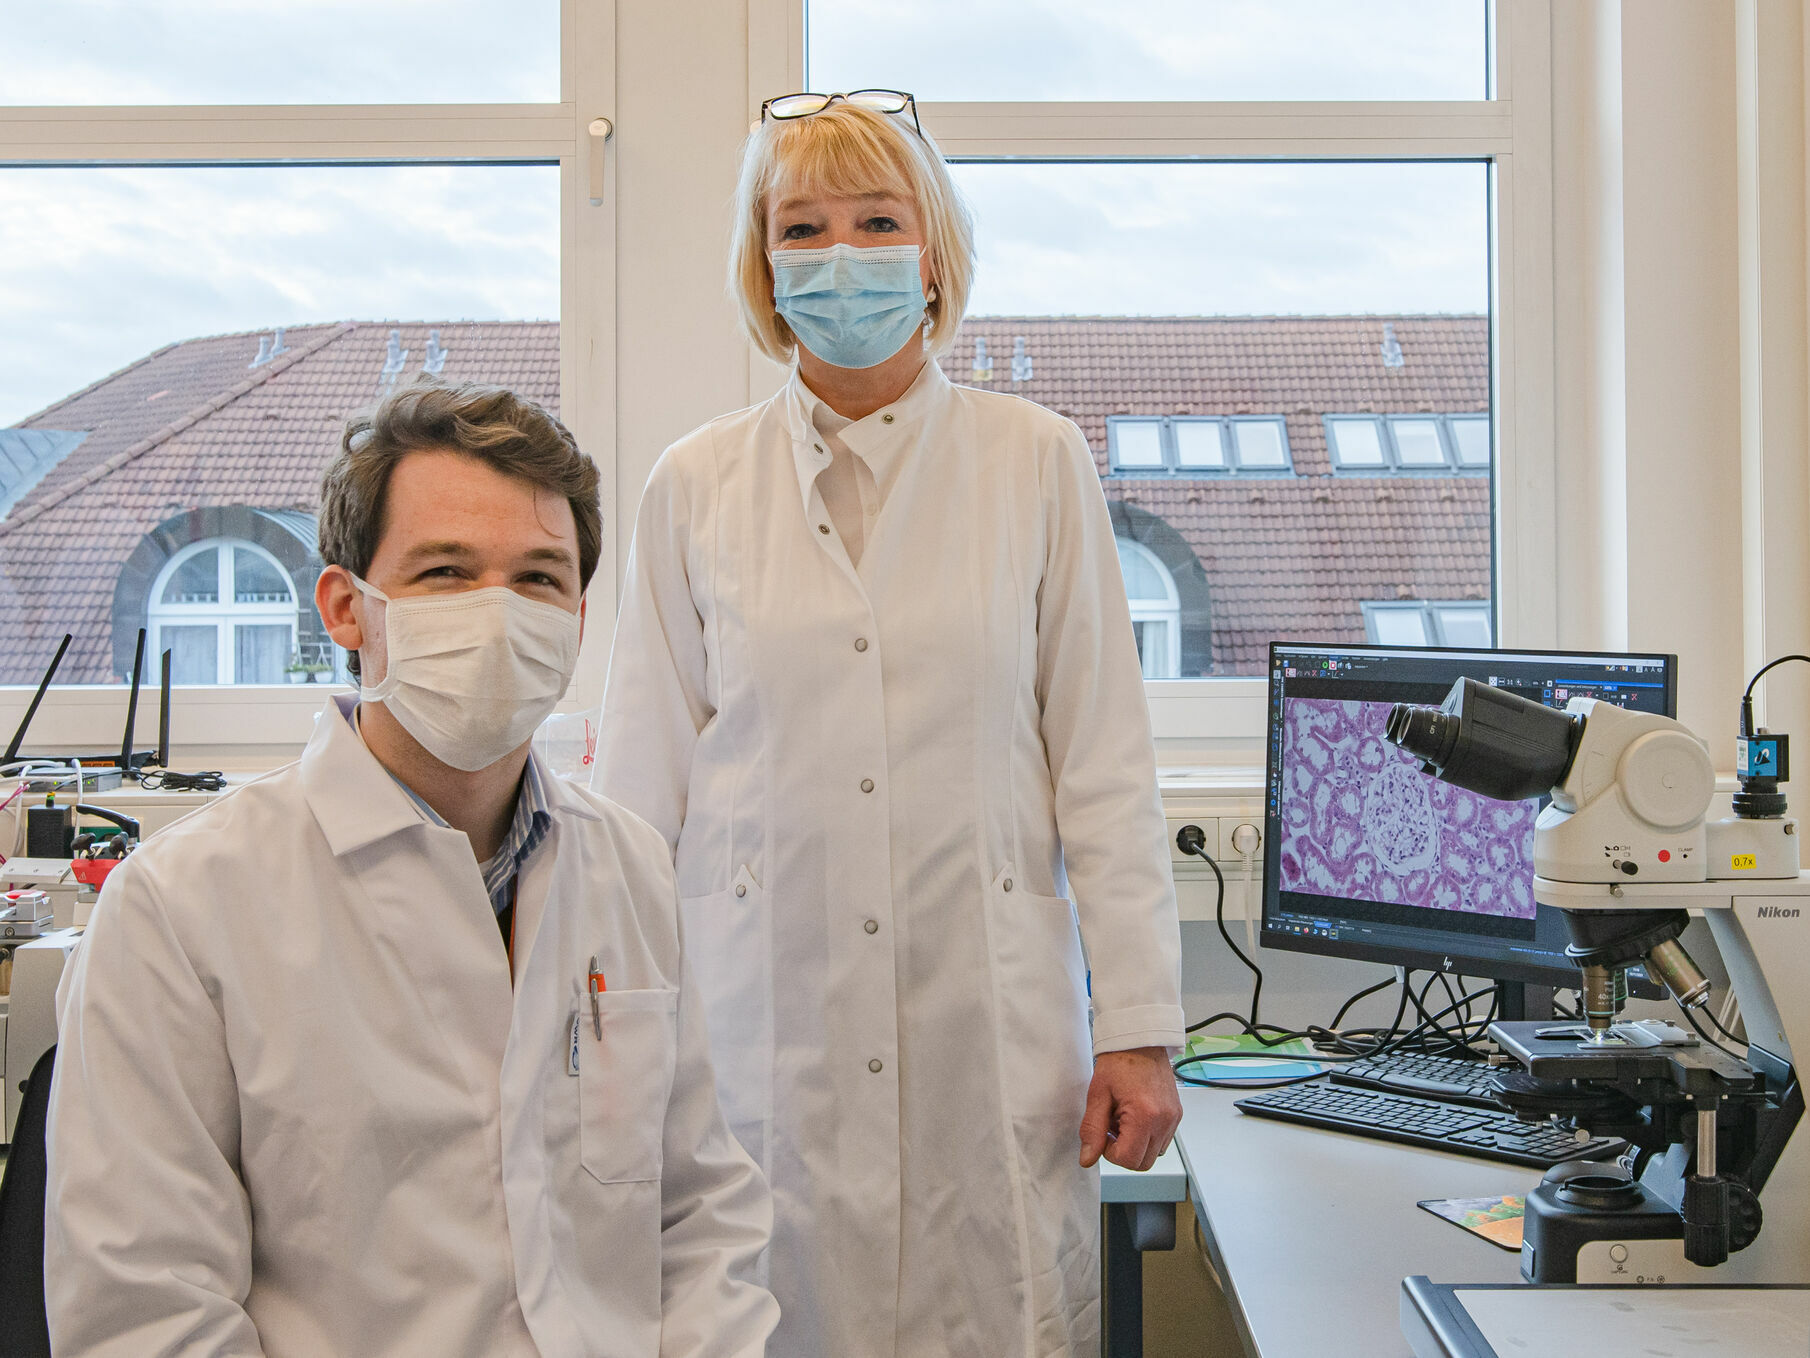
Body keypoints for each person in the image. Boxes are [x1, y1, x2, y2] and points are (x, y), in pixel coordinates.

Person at [595, 92, 1184, 1357]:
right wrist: (614, 1034)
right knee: (766, 1304)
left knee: (990, 1311)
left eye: (876, 219)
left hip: (988, 1021)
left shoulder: (1035, 460)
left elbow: (1102, 764)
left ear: (933, 251)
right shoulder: (694, 485)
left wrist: (1138, 1030)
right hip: (759, 1024)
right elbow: (639, 787)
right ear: (763, 262)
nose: (841, 252)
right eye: (801, 226)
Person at [44, 380, 779, 1357]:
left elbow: (704, 1217)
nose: (499, 612)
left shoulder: (630, 866)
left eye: (537, 578)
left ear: (578, 615)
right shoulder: (183, 906)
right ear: (348, 608)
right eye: (444, 571)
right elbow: (146, 1309)